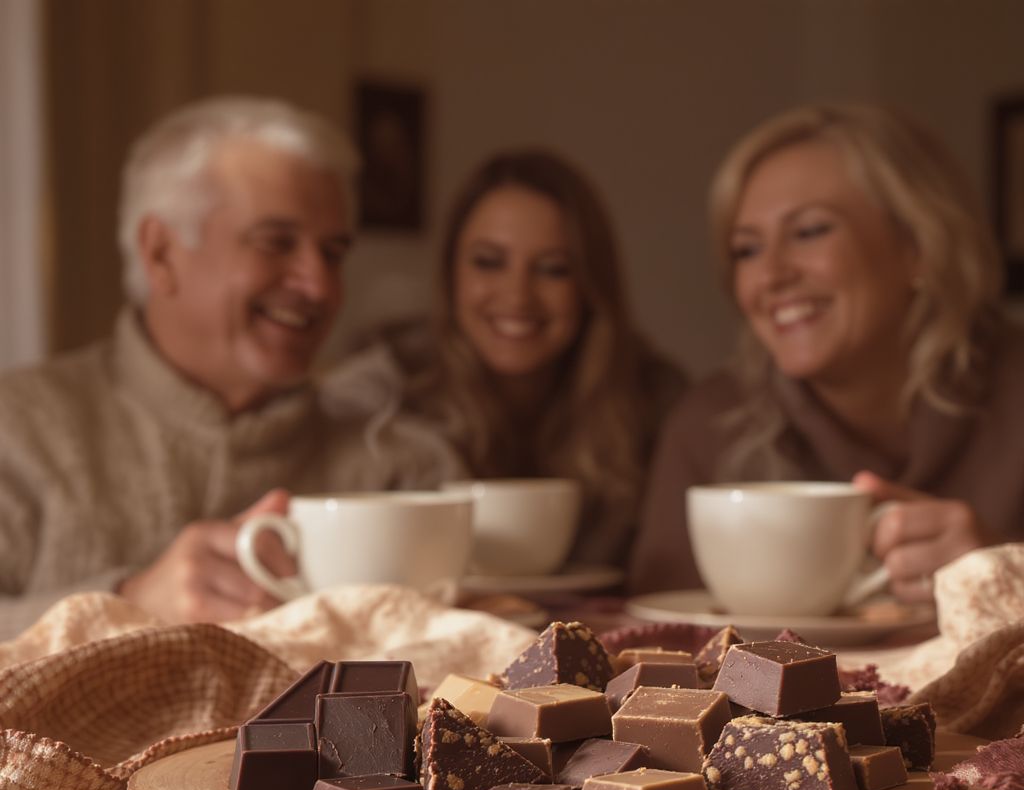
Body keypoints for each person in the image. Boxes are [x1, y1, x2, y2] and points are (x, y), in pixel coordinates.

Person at [0, 95, 462, 639]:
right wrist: (128, 604)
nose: (320, 286)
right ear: (161, 254)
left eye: (333, 252)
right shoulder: (19, 429)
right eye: (277, 243)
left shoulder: (399, 461)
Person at [630, 102, 1024, 599]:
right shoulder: (710, 425)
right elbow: (652, 638)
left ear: (917, 246)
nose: (771, 276)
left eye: (809, 231)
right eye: (746, 250)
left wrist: (1008, 579)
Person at [328, 148, 684, 569]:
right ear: (450, 274)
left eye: (553, 269)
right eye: (489, 262)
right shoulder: (381, 394)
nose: (517, 295)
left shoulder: (654, 405)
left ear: (590, 286)